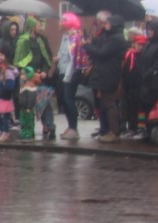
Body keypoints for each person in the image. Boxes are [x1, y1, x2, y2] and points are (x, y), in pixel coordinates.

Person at [84, 12, 129, 144]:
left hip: (109, 74)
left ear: (115, 25)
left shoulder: (116, 39)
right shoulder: (110, 37)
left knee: (109, 103)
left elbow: (101, 53)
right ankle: (109, 130)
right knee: (105, 103)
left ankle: (114, 131)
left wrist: (86, 46)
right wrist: (90, 40)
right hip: (104, 73)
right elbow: (99, 44)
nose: (106, 25)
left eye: (108, 23)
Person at [13, 16, 57, 140]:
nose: (40, 27)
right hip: (27, 77)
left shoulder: (42, 39)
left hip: (40, 77)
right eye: (38, 25)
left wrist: (44, 71)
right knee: (27, 104)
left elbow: (47, 57)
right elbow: (20, 61)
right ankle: (28, 129)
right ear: (32, 27)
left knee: (44, 102)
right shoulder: (23, 41)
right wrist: (30, 74)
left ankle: (50, 126)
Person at [55, 12, 85, 140]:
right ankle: (70, 126)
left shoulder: (74, 37)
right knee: (64, 101)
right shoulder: (65, 36)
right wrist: (58, 59)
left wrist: (67, 76)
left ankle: (74, 128)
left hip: (70, 74)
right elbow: (63, 53)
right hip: (63, 72)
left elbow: (73, 59)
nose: (60, 23)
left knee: (69, 100)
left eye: (62, 20)